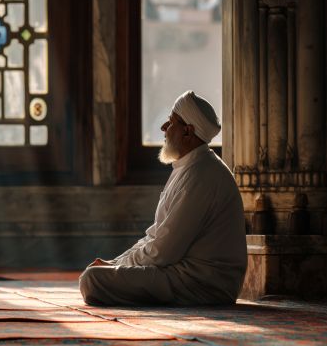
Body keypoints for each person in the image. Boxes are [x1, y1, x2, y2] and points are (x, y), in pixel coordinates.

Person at [79, 90, 247, 306]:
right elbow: (156, 236)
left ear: (187, 131)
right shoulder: (189, 167)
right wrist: (116, 263)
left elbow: (163, 251)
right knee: (95, 275)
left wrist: (114, 268)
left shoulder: (201, 174)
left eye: (170, 122)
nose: (163, 129)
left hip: (204, 283)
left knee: (92, 280)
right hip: (183, 274)